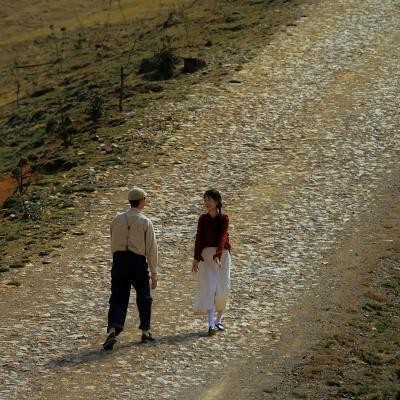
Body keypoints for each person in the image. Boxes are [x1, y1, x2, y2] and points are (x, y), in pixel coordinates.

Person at [103, 187, 158, 350]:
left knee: (117, 296)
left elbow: (112, 241)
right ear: (141, 201)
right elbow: (151, 249)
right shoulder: (145, 222)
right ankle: (145, 330)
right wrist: (154, 273)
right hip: (137, 262)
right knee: (144, 296)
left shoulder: (117, 219)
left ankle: (113, 328)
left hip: (119, 261)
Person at [192, 189, 231, 336]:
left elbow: (222, 236)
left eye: (209, 200)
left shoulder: (223, 219)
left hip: (222, 256)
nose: (207, 203)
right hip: (207, 256)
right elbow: (199, 238)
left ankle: (218, 320)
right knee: (209, 287)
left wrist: (218, 254)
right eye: (205, 200)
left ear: (217, 201)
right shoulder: (203, 219)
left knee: (222, 286)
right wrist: (196, 258)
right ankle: (210, 323)